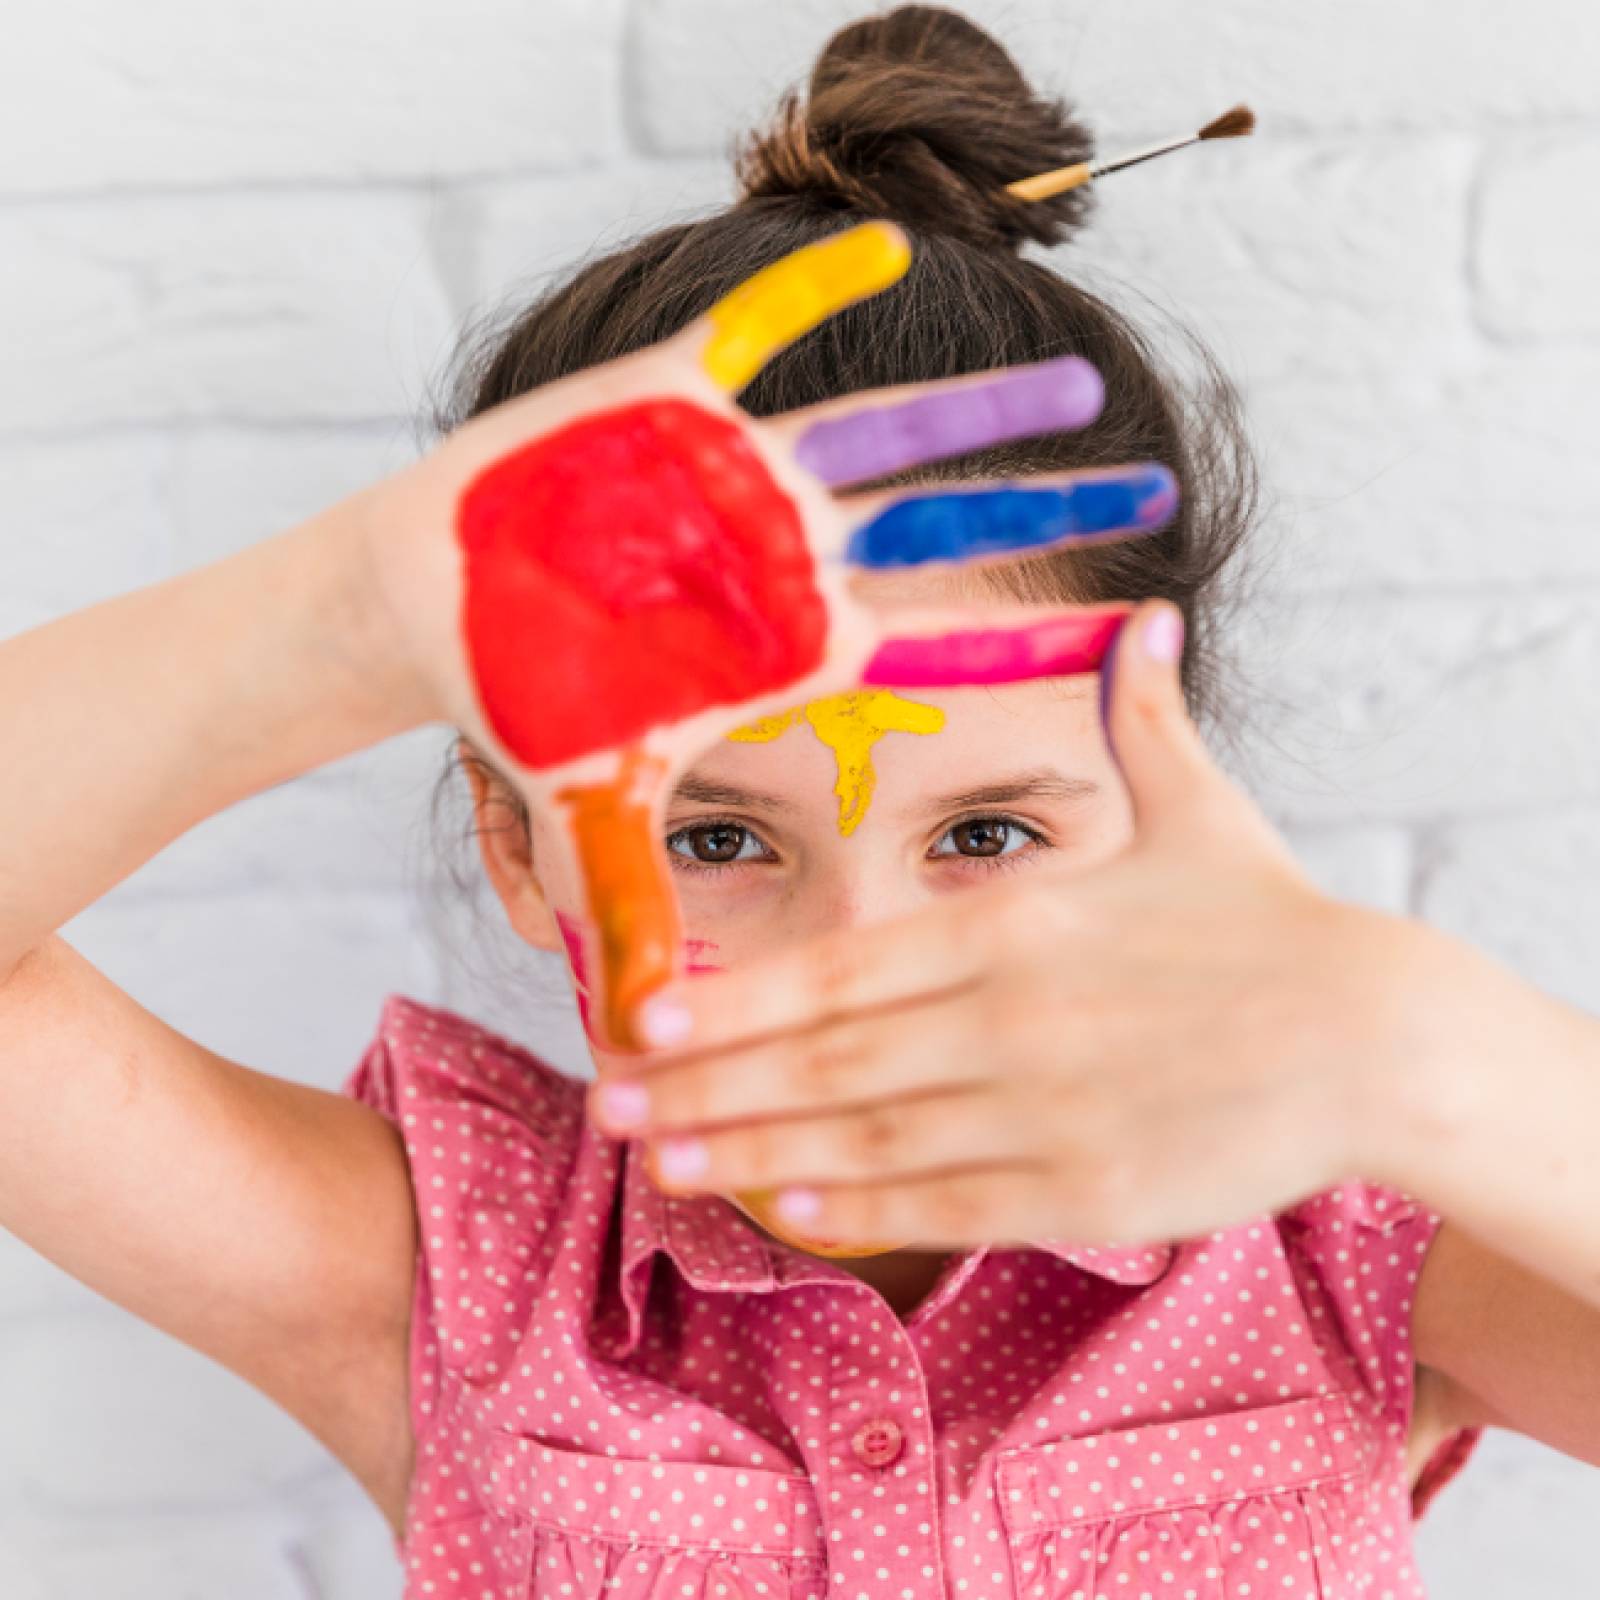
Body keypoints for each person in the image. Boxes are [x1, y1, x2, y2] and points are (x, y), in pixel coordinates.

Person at [7, 7, 1593, 1598]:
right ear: (521, 847)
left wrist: (1418, 1044)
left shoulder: (1356, 1242)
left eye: (986, 835)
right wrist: (342, 615)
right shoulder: (450, 1280)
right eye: (712, 839)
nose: (855, 956)